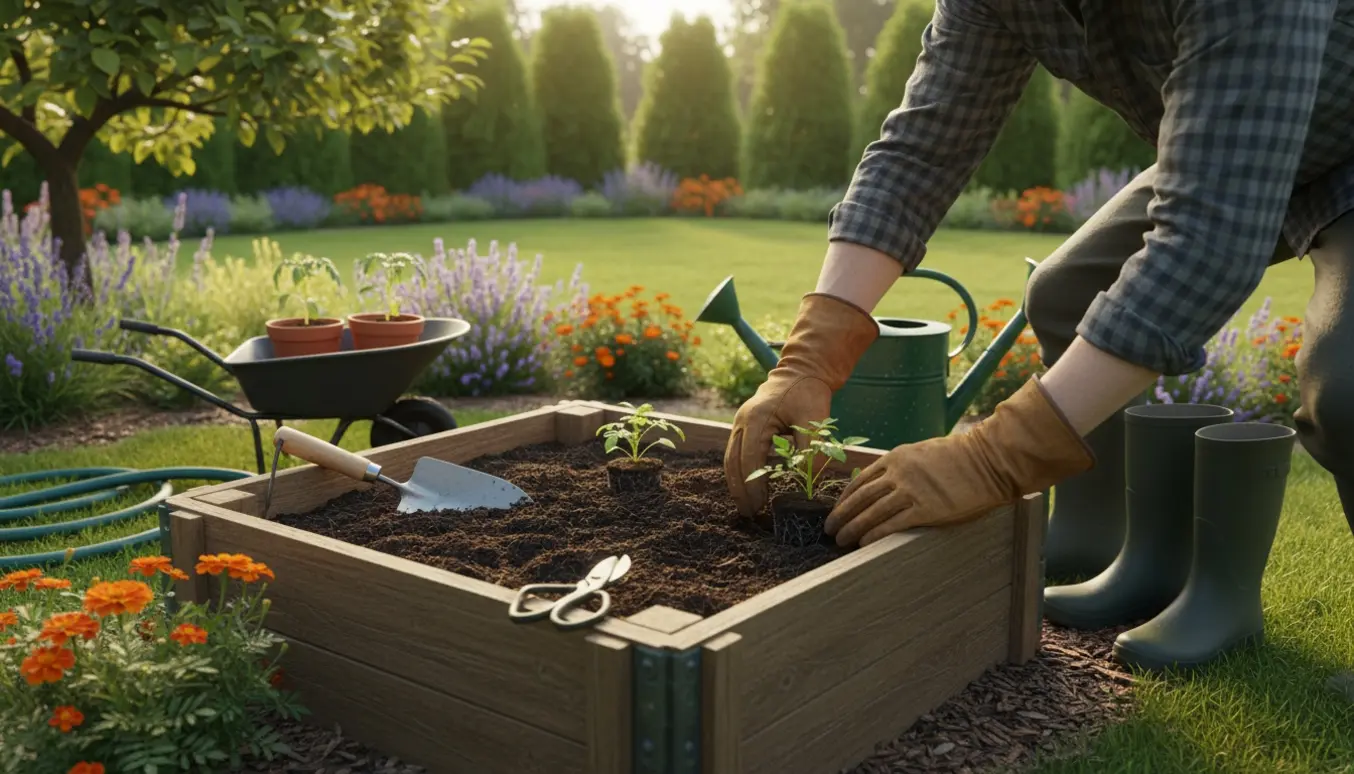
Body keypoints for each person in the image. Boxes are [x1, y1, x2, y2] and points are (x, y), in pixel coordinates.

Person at [724, 0, 1354, 671]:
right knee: (1066, 295)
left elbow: (1206, 246)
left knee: (1345, 387)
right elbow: (921, 148)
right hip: (1250, 147)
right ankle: (1116, 550)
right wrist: (808, 359)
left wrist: (995, 457)